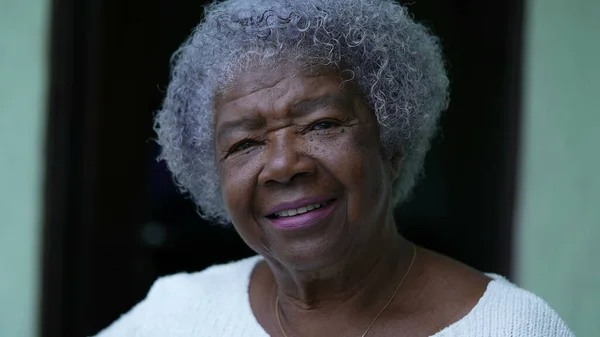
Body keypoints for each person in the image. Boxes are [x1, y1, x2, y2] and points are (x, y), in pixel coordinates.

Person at [96, 0, 574, 336]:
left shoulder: (513, 328)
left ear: (392, 140)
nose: (283, 165)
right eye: (245, 143)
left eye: (321, 124)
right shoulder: (177, 314)